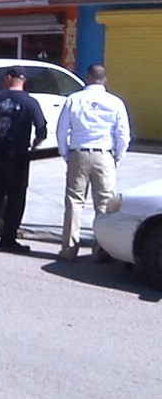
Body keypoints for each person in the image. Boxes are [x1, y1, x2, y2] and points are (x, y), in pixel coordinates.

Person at [56, 64, 131, 261]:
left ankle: (69, 249)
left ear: (87, 78)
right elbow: (123, 134)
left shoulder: (74, 99)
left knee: (74, 202)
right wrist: (116, 158)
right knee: (105, 204)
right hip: (104, 154)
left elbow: (62, 131)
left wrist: (66, 154)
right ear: (104, 80)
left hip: (78, 152)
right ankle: (102, 251)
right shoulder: (115, 102)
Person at [0, 66, 47, 253]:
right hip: (18, 154)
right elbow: (42, 130)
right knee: (15, 197)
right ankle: (8, 238)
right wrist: (34, 145)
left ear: (9, 77)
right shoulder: (30, 102)